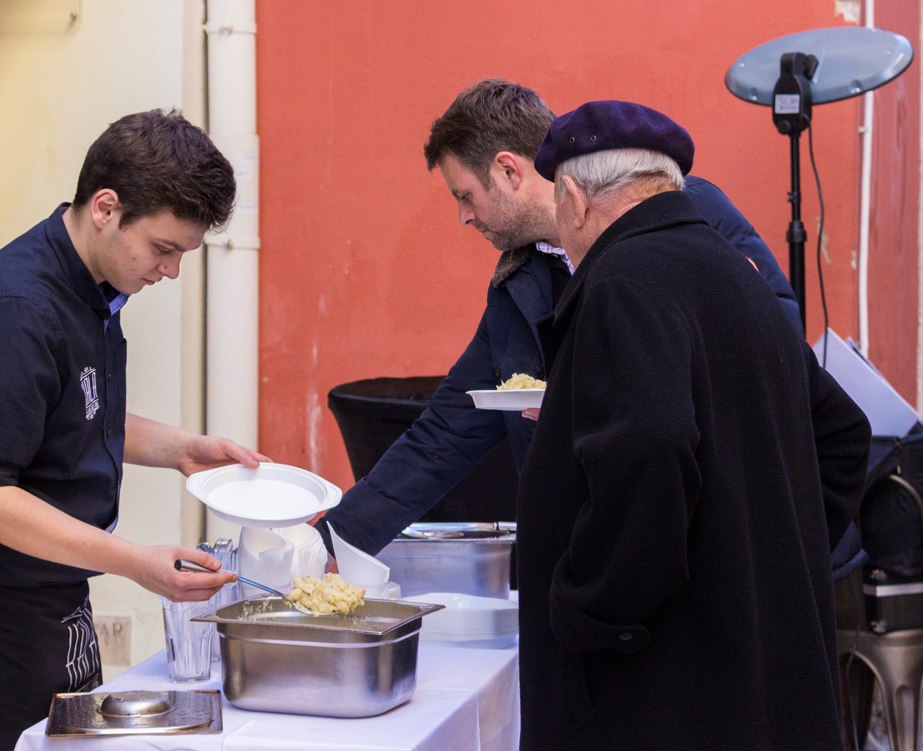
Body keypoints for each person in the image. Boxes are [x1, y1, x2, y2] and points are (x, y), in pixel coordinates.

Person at [0, 110, 262, 751]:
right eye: (163, 248)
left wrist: (181, 449)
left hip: (45, 591)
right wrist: (137, 562)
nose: (170, 271)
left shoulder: (94, 288)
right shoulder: (15, 310)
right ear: (106, 208)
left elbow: (76, 413)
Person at [516, 100, 871, 751]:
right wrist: (775, 557)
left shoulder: (622, 279)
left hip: (658, 704)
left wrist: (595, 605)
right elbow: (843, 432)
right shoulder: (737, 274)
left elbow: (653, 442)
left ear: (577, 201)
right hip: (748, 695)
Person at [315, 79, 802, 557]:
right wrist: (327, 542)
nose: (464, 217)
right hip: (586, 559)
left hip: (706, 547)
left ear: (509, 170)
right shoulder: (518, 284)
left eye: (465, 195)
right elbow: (443, 435)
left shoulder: (684, 208)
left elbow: (779, 347)